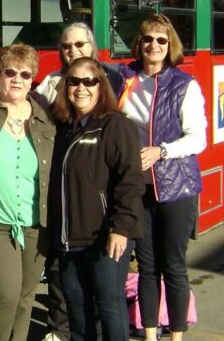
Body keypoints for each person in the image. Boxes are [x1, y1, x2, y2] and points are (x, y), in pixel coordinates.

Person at [118, 14, 207, 341]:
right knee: (146, 267)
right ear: (138, 44)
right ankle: (151, 335)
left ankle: (177, 336)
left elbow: (198, 138)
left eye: (161, 40)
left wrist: (161, 151)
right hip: (138, 188)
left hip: (176, 188)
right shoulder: (125, 79)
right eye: (147, 39)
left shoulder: (184, 85)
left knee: (174, 267)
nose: (153, 45)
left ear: (170, 45)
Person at [49, 57, 144, 341]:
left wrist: (121, 228)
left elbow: (130, 182)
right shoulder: (63, 127)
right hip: (69, 240)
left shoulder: (116, 126)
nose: (81, 88)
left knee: (110, 307)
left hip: (104, 238)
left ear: (101, 86)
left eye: (89, 81)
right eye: (74, 81)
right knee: (78, 313)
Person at [0, 44, 55, 341]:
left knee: (25, 297)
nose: (16, 79)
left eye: (24, 73)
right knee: (6, 295)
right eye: (9, 72)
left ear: (33, 78)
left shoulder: (45, 117)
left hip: (36, 222)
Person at [35, 22, 121, 108]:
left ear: (91, 46)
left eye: (79, 44)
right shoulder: (53, 79)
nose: (73, 50)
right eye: (67, 46)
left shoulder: (112, 76)